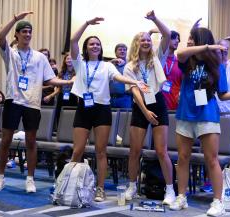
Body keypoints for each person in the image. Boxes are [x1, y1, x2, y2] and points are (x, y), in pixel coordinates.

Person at [169, 27, 230, 216]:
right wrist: (207, 46)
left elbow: (223, 95)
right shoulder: (187, 61)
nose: (189, 41)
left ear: (200, 40)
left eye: (192, 38)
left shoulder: (218, 66)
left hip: (207, 116)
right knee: (182, 158)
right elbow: (179, 53)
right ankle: (181, 197)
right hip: (185, 114)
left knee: (212, 159)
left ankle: (218, 202)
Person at [0, 11, 74, 193]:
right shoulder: (10, 53)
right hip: (13, 100)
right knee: (5, 140)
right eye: (24, 31)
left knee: (31, 141)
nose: (27, 34)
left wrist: (68, 82)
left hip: (32, 103)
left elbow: (50, 80)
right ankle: (0, 177)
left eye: (30, 32)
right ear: (17, 35)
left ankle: (30, 179)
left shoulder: (39, 57)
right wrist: (15, 19)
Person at [70, 16, 148, 202]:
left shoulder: (106, 66)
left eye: (97, 44)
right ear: (86, 48)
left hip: (102, 110)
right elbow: (73, 40)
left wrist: (134, 81)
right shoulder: (79, 63)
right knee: (77, 150)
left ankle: (100, 188)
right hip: (83, 108)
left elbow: (119, 79)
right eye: (91, 44)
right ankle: (70, 184)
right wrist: (87, 23)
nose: (95, 46)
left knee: (100, 151)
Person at [123, 10, 175, 205]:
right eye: (142, 40)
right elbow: (135, 91)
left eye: (148, 39)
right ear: (136, 44)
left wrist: (154, 19)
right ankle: (132, 186)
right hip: (140, 106)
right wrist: (145, 111)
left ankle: (170, 190)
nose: (146, 42)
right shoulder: (129, 66)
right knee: (135, 150)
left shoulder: (158, 58)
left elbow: (168, 35)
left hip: (158, 103)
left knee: (161, 150)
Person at [55, 53, 77, 127]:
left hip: (72, 96)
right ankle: (60, 132)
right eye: (67, 59)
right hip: (62, 95)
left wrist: (62, 82)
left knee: (71, 115)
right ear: (65, 61)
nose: (69, 60)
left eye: (71, 59)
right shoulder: (61, 72)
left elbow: (73, 82)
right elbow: (56, 82)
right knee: (59, 114)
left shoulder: (77, 72)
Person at [109, 43, 132, 108]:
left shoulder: (130, 65)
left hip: (125, 98)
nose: (122, 51)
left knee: (125, 118)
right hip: (110, 98)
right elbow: (101, 68)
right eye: (120, 49)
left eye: (124, 50)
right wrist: (112, 61)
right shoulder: (110, 65)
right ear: (115, 52)